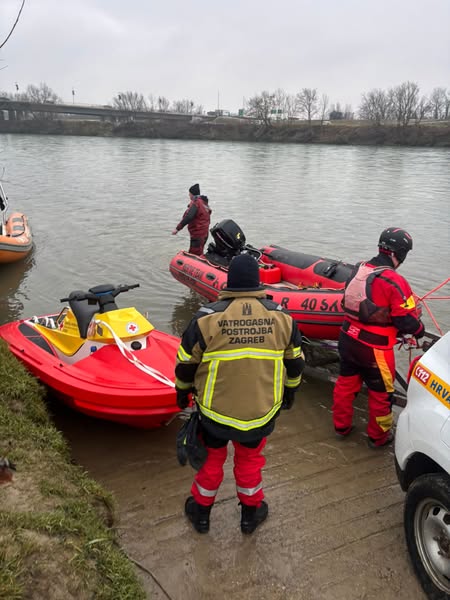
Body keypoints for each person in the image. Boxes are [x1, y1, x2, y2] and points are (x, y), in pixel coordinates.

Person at [174, 253, 305, 534]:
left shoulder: (206, 319)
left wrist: (181, 392)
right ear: (258, 282)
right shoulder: (283, 318)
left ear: (229, 282)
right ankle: (249, 515)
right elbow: (295, 363)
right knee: (249, 461)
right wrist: (290, 392)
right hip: (261, 411)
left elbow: (185, 364)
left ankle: (201, 514)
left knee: (211, 460)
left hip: (214, 413)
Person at [332, 227, 425, 449]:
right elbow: (405, 321)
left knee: (345, 384)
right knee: (382, 394)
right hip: (375, 348)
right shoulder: (394, 281)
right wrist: (419, 330)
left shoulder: (358, 269)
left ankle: (341, 427)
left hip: (347, 338)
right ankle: (378, 437)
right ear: (400, 253)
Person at [172, 183, 212, 256]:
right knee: (199, 253)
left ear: (192, 194)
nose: (188, 195)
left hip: (198, 234)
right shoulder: (204, 203)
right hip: (204, 233)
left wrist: (177, 229)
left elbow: (189, 217)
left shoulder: (196, 203)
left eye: (189, 193)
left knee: (194, 255)